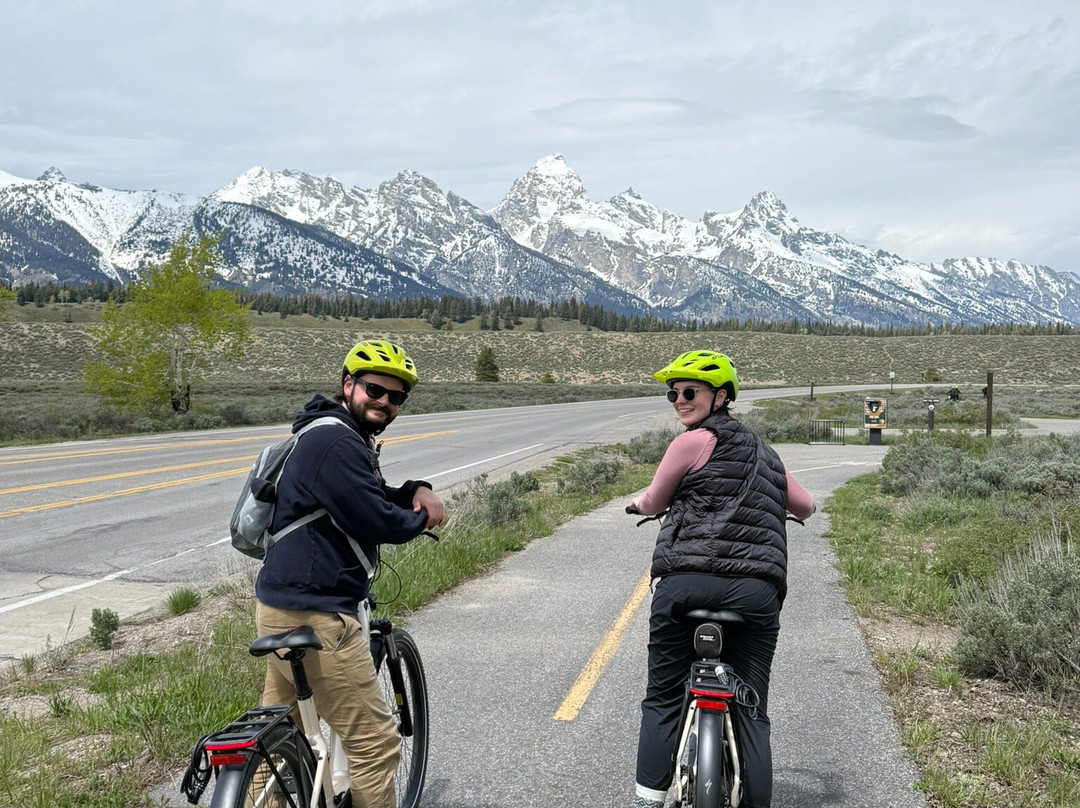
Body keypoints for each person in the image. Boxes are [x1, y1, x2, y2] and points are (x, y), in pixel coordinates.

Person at [254, 339, 446, 808]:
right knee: (376, 745)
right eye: (375, 390)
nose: (384, 402)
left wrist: (414, 490)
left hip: (279, 605)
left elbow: (367, 493)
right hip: (320, 614)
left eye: (396, 397)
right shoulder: (337, 441)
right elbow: (373, 519)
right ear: (348, 385)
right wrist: (424, 517)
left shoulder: (328, 433)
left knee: (279, 737)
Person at [630, 350, 816, 808]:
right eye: (672, 393)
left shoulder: (691, 443)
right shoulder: (769, 456)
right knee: (752, 707)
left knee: (662, 698)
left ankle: (647, 801)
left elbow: (654, 500)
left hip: (685, 585)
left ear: (720, 397)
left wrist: (637, 505)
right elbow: (807, 506)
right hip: (755, 594)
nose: (679, 400)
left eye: (689, 392)